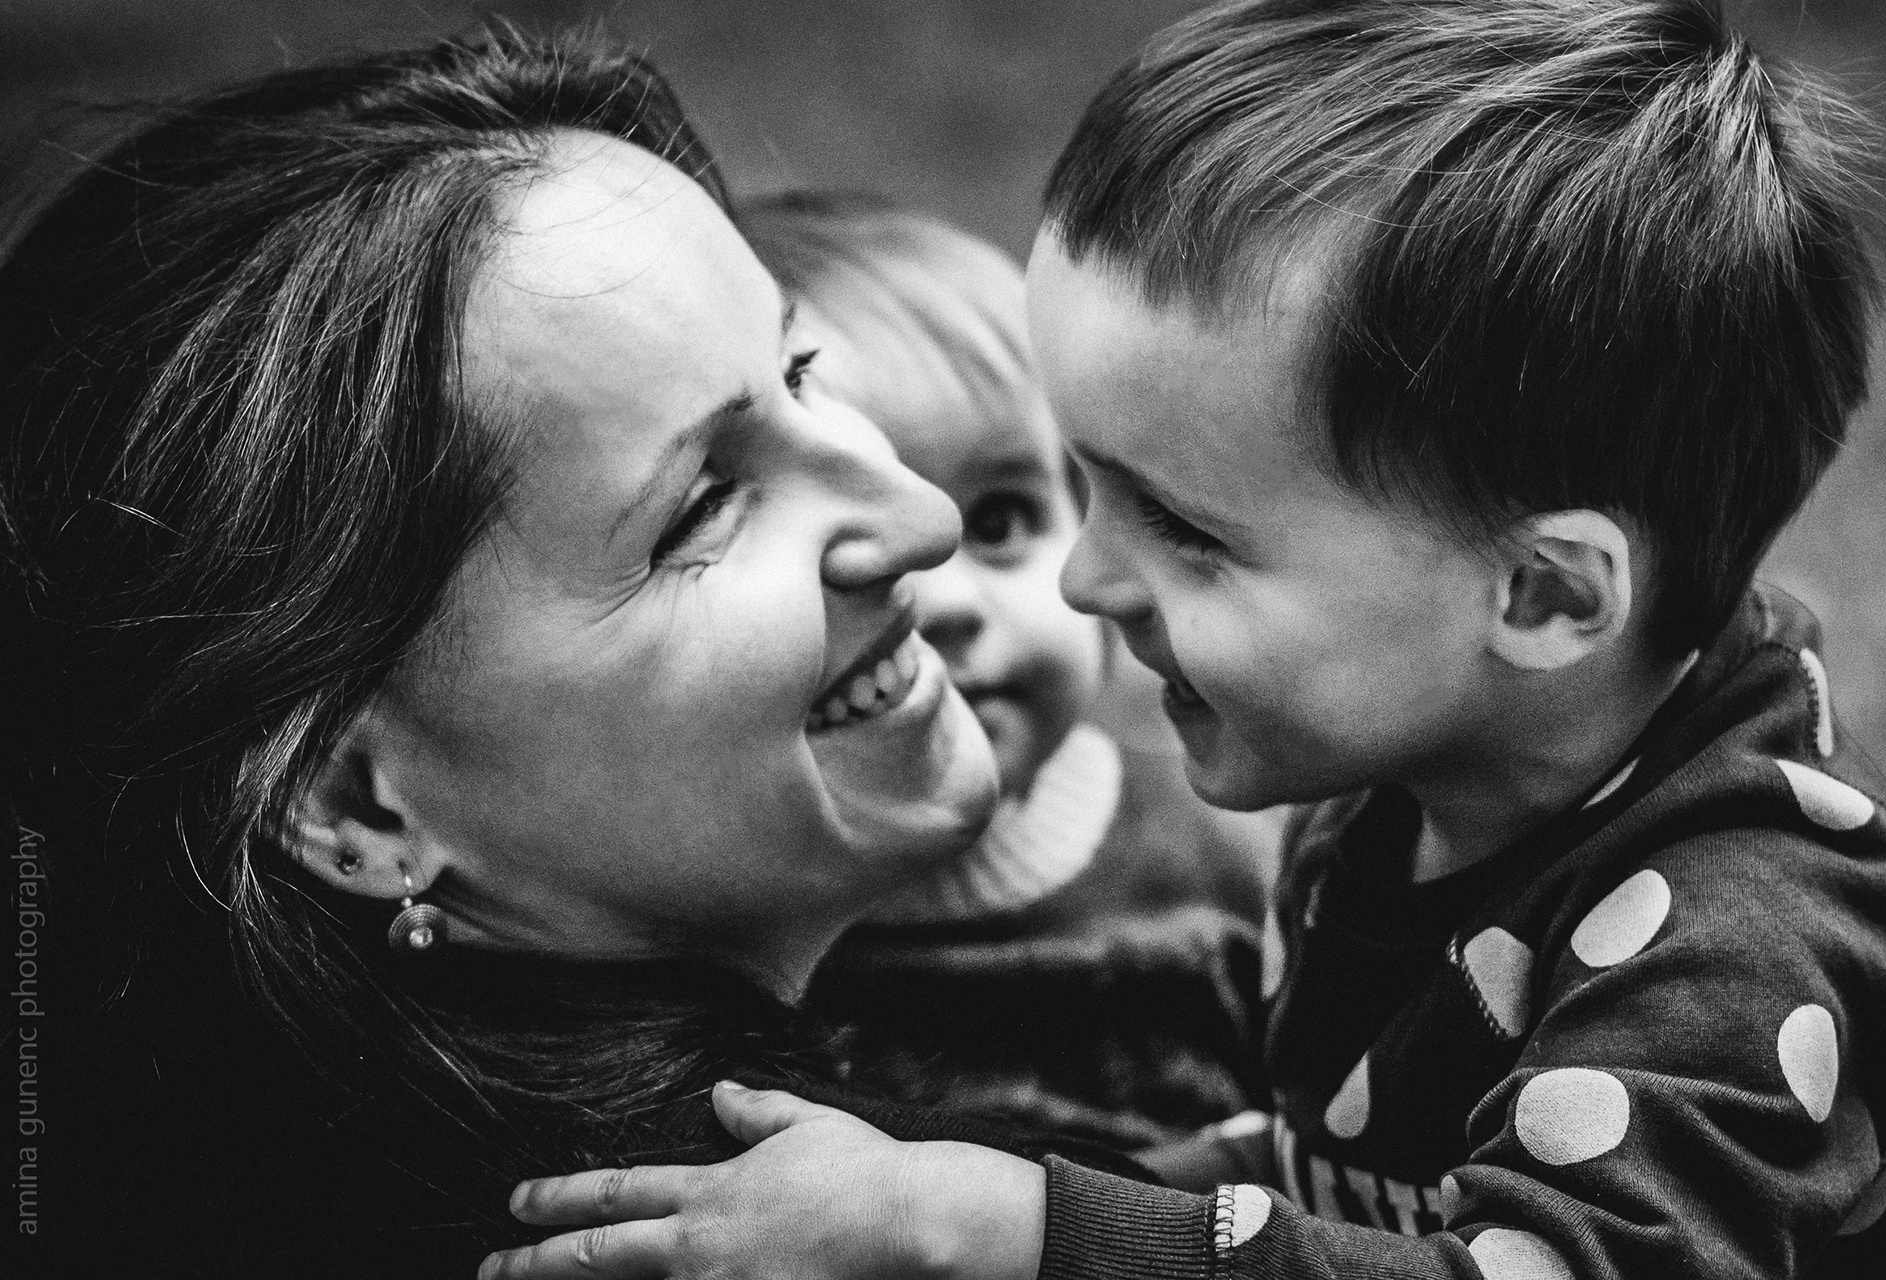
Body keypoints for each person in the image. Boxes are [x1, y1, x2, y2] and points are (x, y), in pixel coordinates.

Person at [481, 2, 1886, 1278]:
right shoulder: (1430, 750)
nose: (1089, 579)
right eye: (1079, 481)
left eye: (1189, 530)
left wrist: (1014, 1230)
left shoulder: (1745, 938)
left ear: (1549, 599)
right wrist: (1014, 1194)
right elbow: (1344, 1179)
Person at [0, 30, 1144, 1280]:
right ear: (358, 804)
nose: (918, 515)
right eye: (702, 508)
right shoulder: (913, 1241)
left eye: (800, 368)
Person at [742, 193, 1276, 1148]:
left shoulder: (1221, 858)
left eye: (997, 524)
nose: (943, 601)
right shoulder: (732, 919)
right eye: (851, 552)